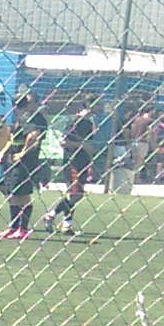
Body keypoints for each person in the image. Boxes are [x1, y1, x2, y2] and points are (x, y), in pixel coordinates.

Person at [0, 91, 48, 239]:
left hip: (25, 163)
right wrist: (3, 153)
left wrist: (22, 153)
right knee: (9, 190)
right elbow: (13, 139)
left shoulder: (29, 119)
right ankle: (13, 227)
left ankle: (22, 229)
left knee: (22, 195)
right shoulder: (21, 118)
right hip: (13, 161)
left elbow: (33, 136)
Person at [49, 98, 98, 235]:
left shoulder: (89, 122)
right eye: (97, 103)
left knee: (76, 194)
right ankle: (52, 214)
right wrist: (82, 145)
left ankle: (66, 224)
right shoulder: (75, 121)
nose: (99, 106)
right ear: (88, 105)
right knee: (75, 193)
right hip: (73, 162)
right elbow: (63, 142)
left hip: (83, 161)